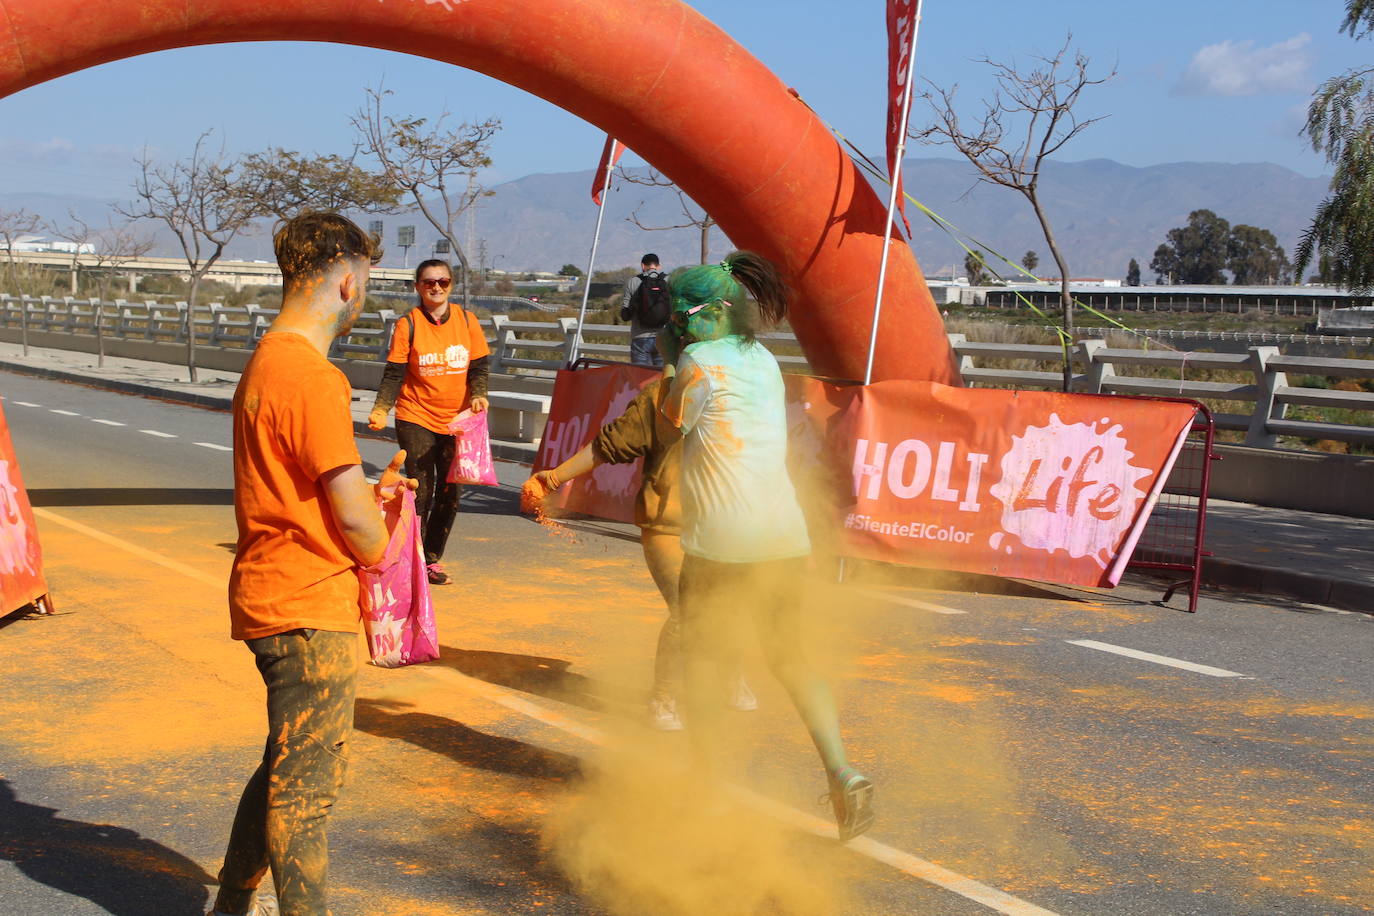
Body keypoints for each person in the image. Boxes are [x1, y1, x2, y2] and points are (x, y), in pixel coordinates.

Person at [212, 211, 415, 916]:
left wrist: (368, 488)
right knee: (307, 787)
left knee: (284, 763)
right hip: (309, 603)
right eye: (367, 285)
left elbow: (314, 480)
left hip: (271, 593)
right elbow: (353, 518)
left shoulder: (268, 361)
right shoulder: (314, 377)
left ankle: (233, 900)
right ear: (348, 282)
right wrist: (384, 547)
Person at [658, 251, 875, 842]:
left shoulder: (697, 361)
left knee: (701, 667)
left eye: (687, 313)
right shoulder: (766, 360)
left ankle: (707, 791)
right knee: (791, 659)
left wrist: (669, 357)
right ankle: (841, 769)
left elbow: (671, 423)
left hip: (720, 544)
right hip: (781, 538)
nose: (681, 323)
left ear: (718, 312)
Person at [521, 373, 756, 731]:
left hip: (725, 521)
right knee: (687, 608)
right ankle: (664, 699)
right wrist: (555, 478)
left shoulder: (746, 390)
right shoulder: (662, 394)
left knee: (732, 603)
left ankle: (730, 675)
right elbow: (611, 444)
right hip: (668, 522)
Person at [368, 259, 491, 586]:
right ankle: (411, 560)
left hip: (456, 421)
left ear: (451, 284)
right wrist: (381, 408)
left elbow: (478, 367)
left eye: (443, 281)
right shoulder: (408, 324)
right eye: (428, 282)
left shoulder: (467, 322)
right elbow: (394, 373)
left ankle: (430, 560)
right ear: (417, 287)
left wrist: (478, 394)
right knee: (421, 490)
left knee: (451, 495)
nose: (436, 287)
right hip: (416, 415)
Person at [620, 253, 671, 367]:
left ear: (643, 266)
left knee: (641, 377)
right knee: (661, 378)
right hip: (664, 338)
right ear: (659, 266)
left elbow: (625, 315)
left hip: (640, 338)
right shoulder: (669, 281)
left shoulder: (633, 282)